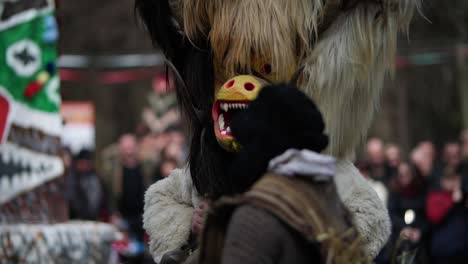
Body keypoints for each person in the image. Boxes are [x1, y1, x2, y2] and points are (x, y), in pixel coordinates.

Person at [387, 162, 429, 263]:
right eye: (401, 175)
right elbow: (391, 215)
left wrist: (420, 232)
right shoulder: (394, 193)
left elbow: (428, 216)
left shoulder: (422, 191)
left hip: (420, 243)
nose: (405, 178)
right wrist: (403, 228)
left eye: (407, 174)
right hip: (399, 241)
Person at [426, 168, 468, 263]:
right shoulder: (435, 195)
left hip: (462, 250)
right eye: (448, 179)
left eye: (454, 179)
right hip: (443, 250)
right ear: (442, 181)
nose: (450, 182)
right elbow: (434, 217)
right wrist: (452, 201)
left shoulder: (463, 196)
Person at [67, 150, 107, 221]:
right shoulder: (72, 178)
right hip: (77, 219)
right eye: (83, 162)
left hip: (95, 218)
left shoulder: (96, 177)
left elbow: (102, 198)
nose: (85, 165)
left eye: (87, 163)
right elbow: (73, 200)